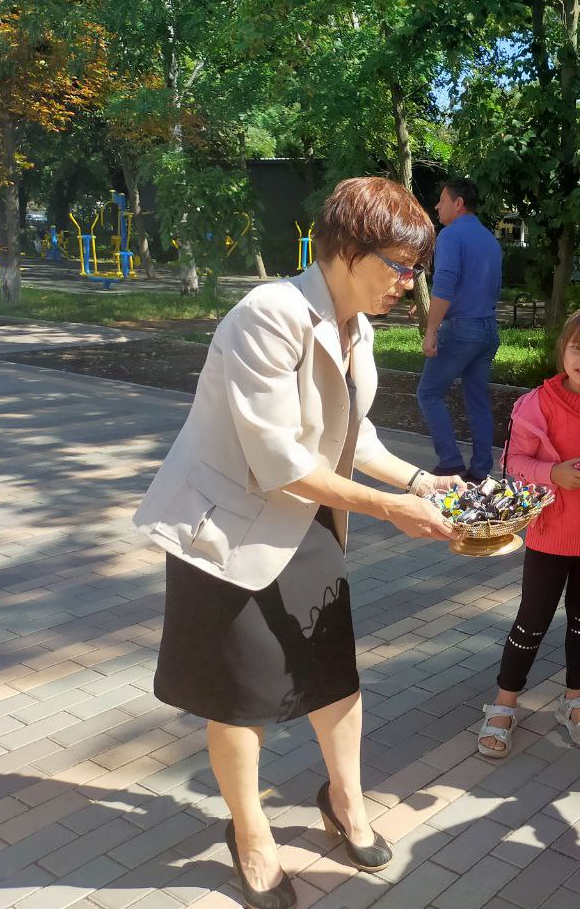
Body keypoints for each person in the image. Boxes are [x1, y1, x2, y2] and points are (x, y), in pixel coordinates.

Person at [133, 177, 463, 909]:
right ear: (345, 249)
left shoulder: (357, 326)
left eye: (417, 269)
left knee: (334, 677)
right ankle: (250, 835)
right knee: (240, 696)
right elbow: (278, 460)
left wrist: (419, 483)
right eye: (400, 265)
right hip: (230, 532)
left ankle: (346, 801)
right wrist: (389, 509)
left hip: (307, 519)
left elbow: (350, 432)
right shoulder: (269, 314)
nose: (410, 284)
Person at [477, 306, 580, 758]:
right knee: (532, 620)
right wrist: (553, 473)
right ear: (562, 350)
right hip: (550, 534)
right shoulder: (539, 403)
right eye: (576, 348)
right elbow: (513, 463)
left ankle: (576, 700)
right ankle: (504, 702)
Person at [417, 176, 504, 483]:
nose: (437, 205)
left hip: (461, 330)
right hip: (488, 329)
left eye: (442, 200)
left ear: (458, 203)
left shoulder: (450, 236)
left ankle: (450, 463)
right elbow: (484, 287)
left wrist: (431, 331)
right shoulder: (490, 240)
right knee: (477, 398)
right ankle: (481, 470)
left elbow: (444, 286)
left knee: (428, 393)